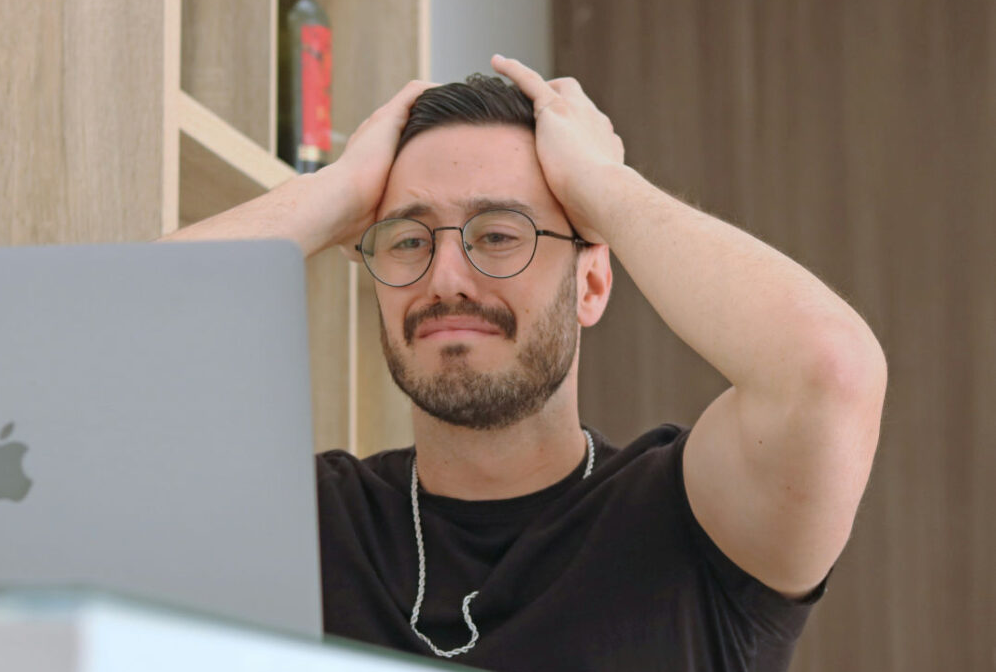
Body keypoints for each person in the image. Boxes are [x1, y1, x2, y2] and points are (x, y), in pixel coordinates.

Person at [160, 55, 888, 671]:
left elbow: (829, 369)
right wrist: (335, 192)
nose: (446, 275)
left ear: (592, 282)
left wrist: (604, 186)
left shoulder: (694, 523)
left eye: (500, 234)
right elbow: (91, 359)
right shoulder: (308, 525)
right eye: (410, 241)